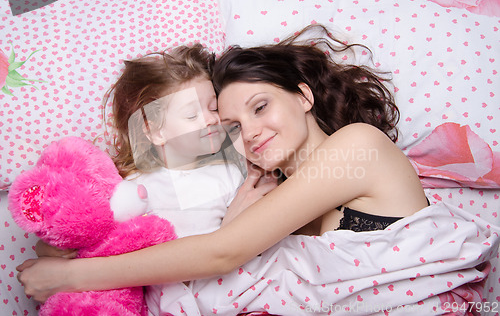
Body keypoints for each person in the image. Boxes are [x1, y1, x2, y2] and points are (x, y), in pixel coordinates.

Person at [17, 24, 429, 307]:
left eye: (260, 107)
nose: (248, 133)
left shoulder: (356, 145)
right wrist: (67, 247)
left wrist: (70, 277)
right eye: (232, 124)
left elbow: (221, 252)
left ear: (303, 96)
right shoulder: (270, 185)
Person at [33, 44, 277, 315]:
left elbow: (252, 228)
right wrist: (50, 250)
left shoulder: (229, 170)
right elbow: (86, 231)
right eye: (191, 114)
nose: (210, 120)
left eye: (212, 108)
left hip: (228, 290)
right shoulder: (134, 186)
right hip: (168, 301)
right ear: (154, 131)